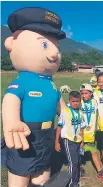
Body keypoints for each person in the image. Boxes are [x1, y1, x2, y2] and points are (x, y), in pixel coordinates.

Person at [2, 7, 69, 187]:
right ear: (11, 44)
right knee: (20, 173)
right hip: (26, 134)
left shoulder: (52, 84)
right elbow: (10, 100)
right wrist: (11, 122)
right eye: (45, 45)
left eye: (57, 46)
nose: (54, 53)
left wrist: (69, 117)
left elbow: (60, 106)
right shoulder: (21, 82)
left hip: (47, 135)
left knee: (42, 172)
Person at [55, 91, 86, 187]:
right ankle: (72, 184)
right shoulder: (65, 112)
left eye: (77, 101)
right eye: (73, 101)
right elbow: (59, 127)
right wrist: (56, 142)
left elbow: (82, 128)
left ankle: (75, 180)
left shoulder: (81, 113)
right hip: (69, 141)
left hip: (78, 141)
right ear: (69, 101)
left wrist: (82, 141)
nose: (75, 103)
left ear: (80, 101)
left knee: (77, 162)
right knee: (73, 163)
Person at [79, 83, 103, 181]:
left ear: (91, 93)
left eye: (86, 93)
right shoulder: (78, 103)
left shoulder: (95, 102)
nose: (84, 95)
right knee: (80, 152)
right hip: (80, 135)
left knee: (93, 153)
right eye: (82, 93)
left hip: (90, 135)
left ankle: (100, 171)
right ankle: (80, 168)